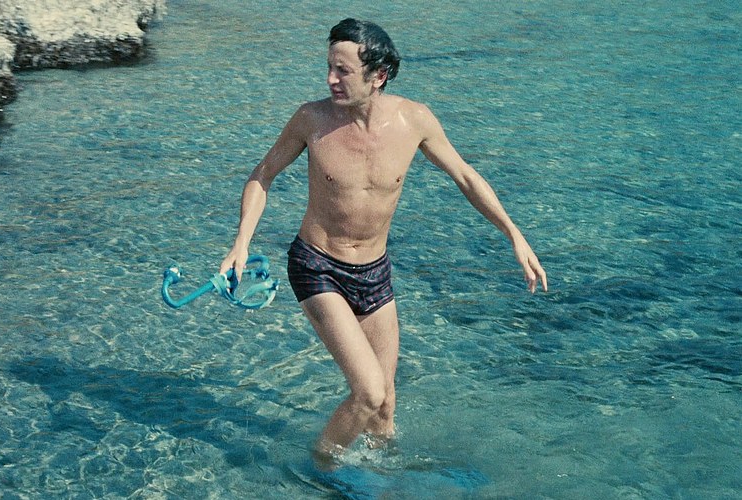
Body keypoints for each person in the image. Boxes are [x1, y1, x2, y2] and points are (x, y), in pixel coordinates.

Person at [220, 18, 547, 464]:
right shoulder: (311, 119)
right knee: (368, 392)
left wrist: (514, 234)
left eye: (343, 71)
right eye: (329, 68)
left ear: (378, 76)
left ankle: (384, 479)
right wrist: (241, 241)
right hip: (317, 265)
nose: (330, 80)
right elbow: (263, 175)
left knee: (386, 404)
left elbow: (466, 176)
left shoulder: (414, 120)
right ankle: (321, 468)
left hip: (374, 273)